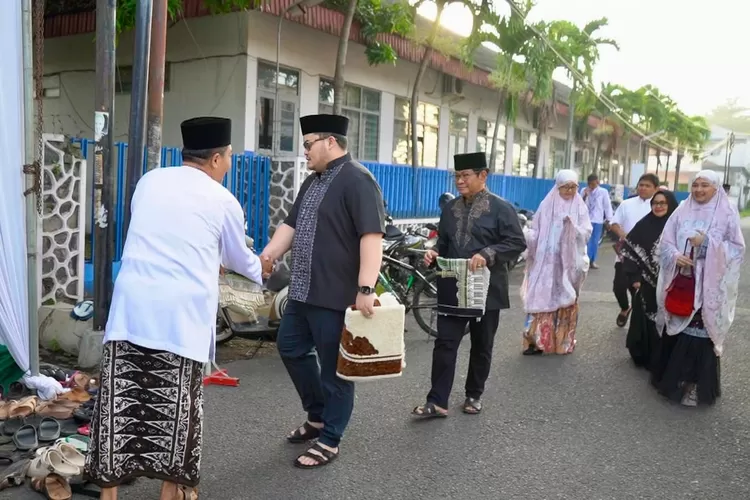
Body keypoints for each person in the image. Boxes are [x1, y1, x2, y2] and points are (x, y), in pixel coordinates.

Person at [85, 117, 268, 500]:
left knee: (120, 404)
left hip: (132, 310)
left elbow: (164, 233)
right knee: (176, 409)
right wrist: (262, 266)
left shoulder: (150, 182)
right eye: (230, 157)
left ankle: (109, 495)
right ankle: (172, 491)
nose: (230, 163)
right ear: (217, 158)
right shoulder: (223, 200)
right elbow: (239, 259)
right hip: (179, 319)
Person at [260, 114, 386, 468]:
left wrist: (366, 287)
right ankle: (317, 415)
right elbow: (291, 222)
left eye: (308, 144)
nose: (304, 152)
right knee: (290, 347)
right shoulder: (313, 181)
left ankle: (330, 437)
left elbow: (371, 236)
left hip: (335, 295)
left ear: (330, 142)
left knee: (336, 369)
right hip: (302, 289)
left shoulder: (358, 180)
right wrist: (271, 253)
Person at [411, 152, 526, 418]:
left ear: (482, 175)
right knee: (445, 342)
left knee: (481, 343)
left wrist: (487, 254)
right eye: (457, 176)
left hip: (487, 288)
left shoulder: (501, 208)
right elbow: (444, 243)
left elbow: (516, 243)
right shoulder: (450, 210)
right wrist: (434, 252)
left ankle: (474, 394)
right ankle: (437, 401)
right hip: (453, 285)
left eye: (465, 176)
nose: (459, 181)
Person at [652, 170, 745, 406]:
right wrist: (674, 255)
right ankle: (677, 380)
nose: (699, 190)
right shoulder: (682, 209)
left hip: (709, 286)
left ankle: (695, 385)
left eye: (705, 185)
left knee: (700, 335)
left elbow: (736, 248)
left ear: (715, 188)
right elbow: (666, 241)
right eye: (695, 185)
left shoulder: (727, 211)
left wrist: (707, 246)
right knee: (680, 329)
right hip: (685, 281)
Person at [522, 170, 592, 355]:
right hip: (546, 262)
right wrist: (528, 237)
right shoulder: (546, 205)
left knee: (566, 298)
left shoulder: (580, 206)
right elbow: (535, 230)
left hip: (568, 262)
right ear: (558, 187)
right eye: (565, 187)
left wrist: (573, 228)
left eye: (573, 187)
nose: (569, 190)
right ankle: (535, 342)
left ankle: (563, 342)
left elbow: (586, 232)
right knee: (541, 296)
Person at [620, 190, 678, 368]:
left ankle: (663, 357)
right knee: (646, 316)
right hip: (646, 283)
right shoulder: (643, 225)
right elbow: (628, 252)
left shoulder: (676, 226)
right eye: (655, 203)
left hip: (671, 284)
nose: (658, 206)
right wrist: (635, 278)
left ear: (670, 205)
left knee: (667, 318)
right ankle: (643, 355)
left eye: (663, 203)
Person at [609, 173, 659, 327]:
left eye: (647, 185)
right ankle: (625, 308)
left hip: (648, 257)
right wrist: (623, 235)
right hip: (626, 254)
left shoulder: (659, 206)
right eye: (641, 185)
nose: (643, 188)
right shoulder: (626, 204)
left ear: (655, 189)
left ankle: (640, 323)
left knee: (638, 290)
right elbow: (614, 223)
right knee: (618, 286)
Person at [580, 174, 612, 269]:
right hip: (586, 220)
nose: (592, 186)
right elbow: (580, 204)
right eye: (590, 184)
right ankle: (585, 260)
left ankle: (592, 261)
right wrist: (585, 195)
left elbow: (607, 206)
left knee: (595, 241)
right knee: (586, 240)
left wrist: (609, 219)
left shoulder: (603, 192)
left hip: (598, 220)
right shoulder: (584, 190)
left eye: (594, 184)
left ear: (597, 182)